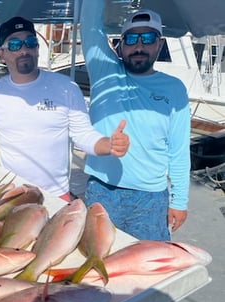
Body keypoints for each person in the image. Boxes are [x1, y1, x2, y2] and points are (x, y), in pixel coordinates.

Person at [0, 16, 129, 202]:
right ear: (2, 54)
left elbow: (84, 135)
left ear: (37, 49)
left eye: (30, 43)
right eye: (15, 44)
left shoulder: (67, 88)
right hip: (11, 193)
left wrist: (108, 144)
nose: (24, 50)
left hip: (56, 195)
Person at [80, 0, 191, 240]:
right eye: (131, 39)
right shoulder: (105, 72)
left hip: (150, 198)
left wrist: (179, 201)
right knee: (95, 261)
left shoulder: (174, 89)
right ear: (120, 45)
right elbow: (89, 24)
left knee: (149, 267)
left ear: (160, 44)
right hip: (102, 190)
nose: (139, 46)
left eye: (148, 39)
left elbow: (179, 151)